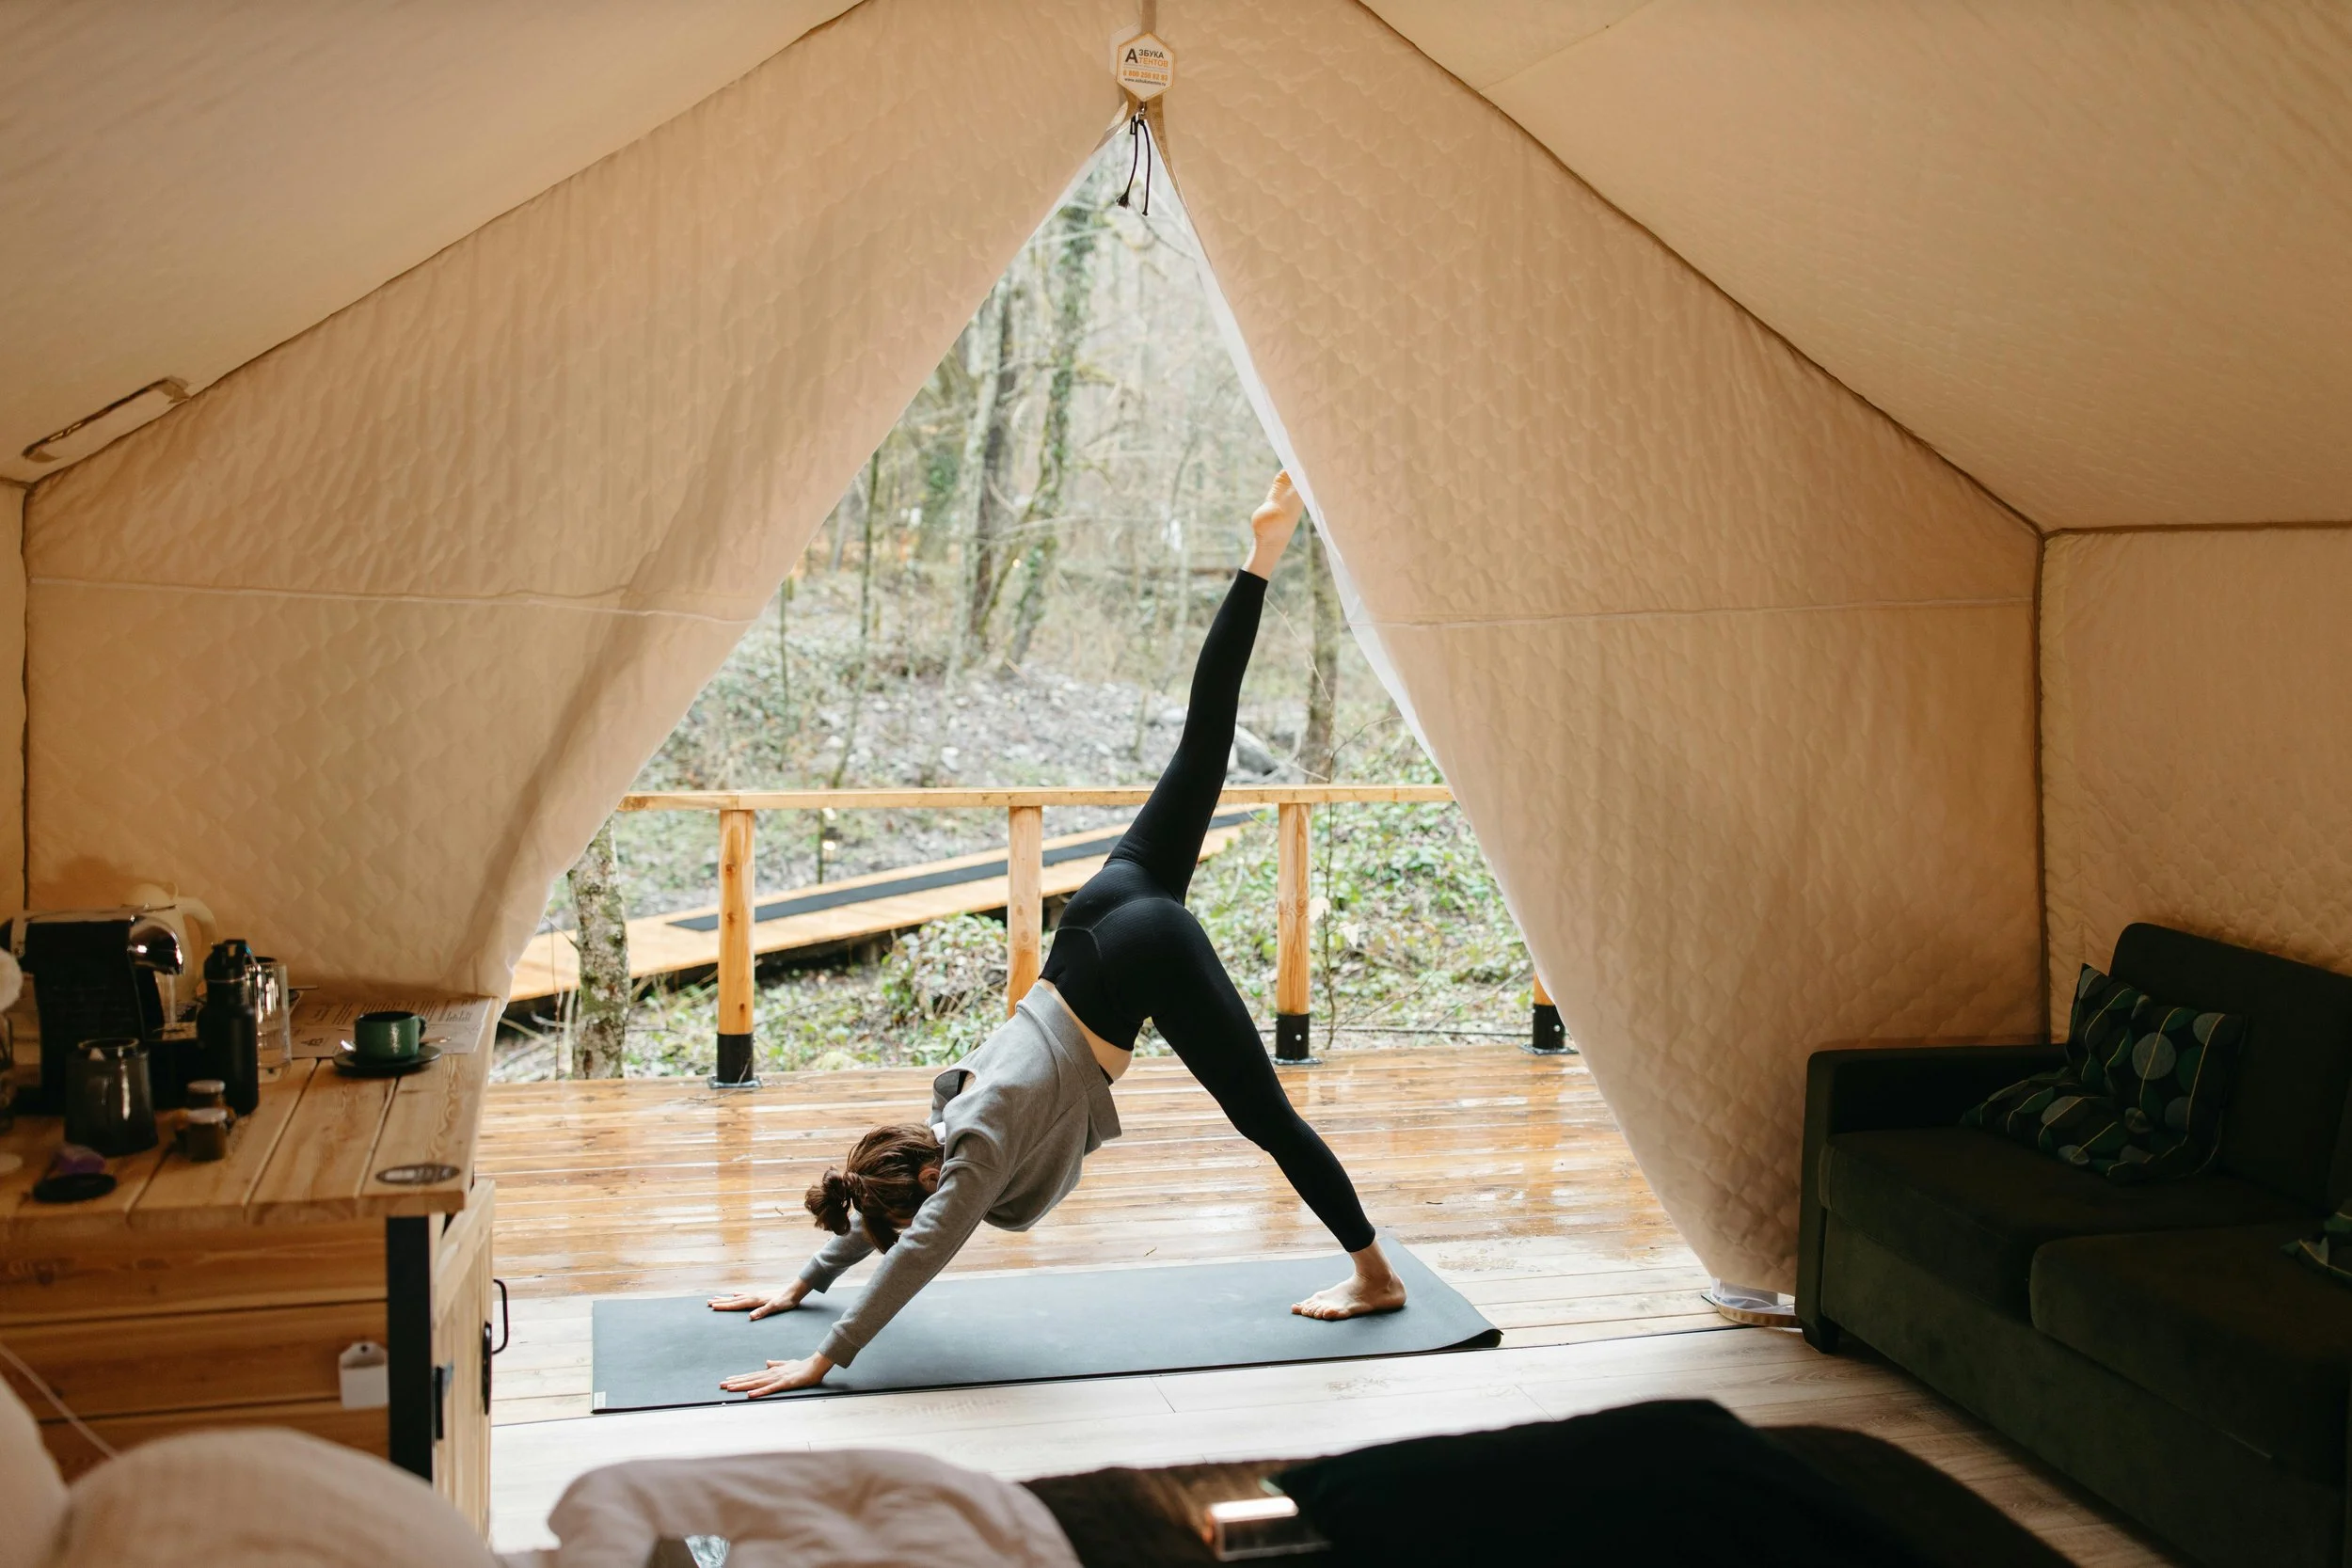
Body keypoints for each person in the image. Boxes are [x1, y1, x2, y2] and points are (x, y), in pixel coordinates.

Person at [707, 471, 1406, 1396]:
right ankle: (1262, 551)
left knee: (1264, 1115)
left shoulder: (975, 1148)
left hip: (1138, 952)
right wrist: (803, 1279)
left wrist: (823, 1356)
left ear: (924, 1186)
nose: (912, 1219)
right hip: (1099, 914)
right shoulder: (941, 1122)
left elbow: (915, 1250)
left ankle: (1375, 1273)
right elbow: (884, 1210)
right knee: (1202, 741)